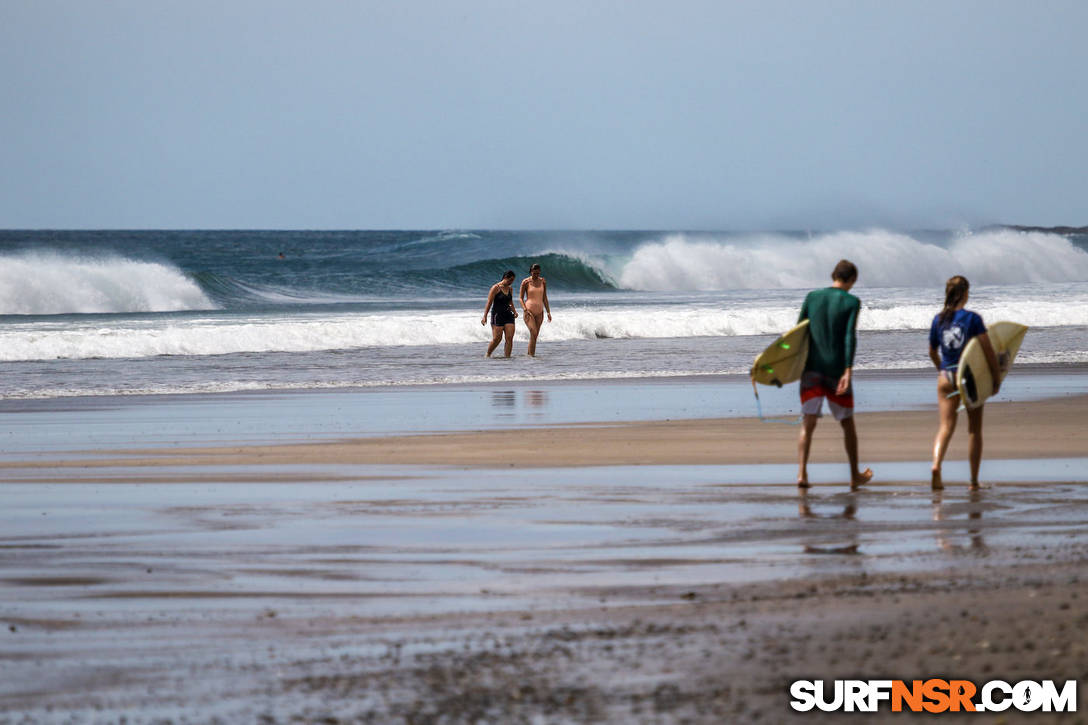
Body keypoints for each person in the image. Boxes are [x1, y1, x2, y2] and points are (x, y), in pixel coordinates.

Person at [796, 259, 873, 489]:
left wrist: (791, 366)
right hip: (836, 371)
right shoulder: (851, 301)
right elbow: (849, 336)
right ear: (852, 280)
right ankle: (854, 475)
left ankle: (801, 474)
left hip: (811, 369)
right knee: (847, 423)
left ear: (833, 275)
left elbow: (798, 332)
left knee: (808, 423)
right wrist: (848, 370)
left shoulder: (812, 297)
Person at [928, 275, 1001, 490]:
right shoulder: (973, 319)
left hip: (946, 376)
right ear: (964, 293)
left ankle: (936, 466)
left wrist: (942, 370)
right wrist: (996, 378)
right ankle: (973, 481)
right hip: (969, 377)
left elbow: (932, 351)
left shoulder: (938, 320)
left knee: (946, 427)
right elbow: (988, 351)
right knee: (974, 430)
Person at [482, 270, 518, 357]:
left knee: (509, 338)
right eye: (510, 280)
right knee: (497, 339)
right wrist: (485, 316)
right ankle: (488, 354)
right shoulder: (496, 287)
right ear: (505, 278)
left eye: (513, 280)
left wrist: (515, 311)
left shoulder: (510, 288)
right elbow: (489, 302)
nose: (511, 282)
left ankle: (507, 358)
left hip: (508, 315)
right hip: (497, 315)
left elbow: (510, 301)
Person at [519, 263, 552, 357]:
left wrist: (548, 312)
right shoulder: (525, 282)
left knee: (535, 336)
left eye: (538, 273)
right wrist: (525, 310)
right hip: (529, 311)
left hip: (540, 312)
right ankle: (530, 356)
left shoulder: (543, 281)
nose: (536, 275)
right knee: (533, 333)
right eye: (534, 273)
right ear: (531, 272)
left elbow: (544, 298)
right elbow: (520, 298)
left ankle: (530, 356)